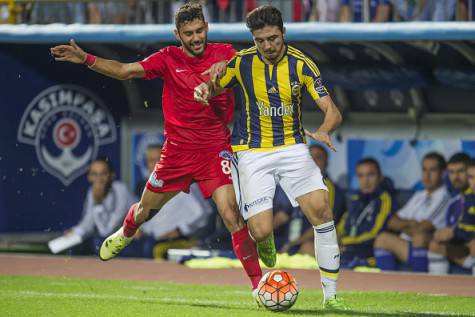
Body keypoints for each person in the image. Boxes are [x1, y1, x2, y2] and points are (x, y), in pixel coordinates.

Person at [50, 2, 263, 297]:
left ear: (207, 28)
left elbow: (245, 66)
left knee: (231, 214)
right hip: (175, 153)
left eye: (200, 30)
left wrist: (226, 69)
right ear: (178, 34)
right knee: (144, 212)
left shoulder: (225, 53)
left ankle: (259, 286)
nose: (196, 37)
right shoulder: (167, 58)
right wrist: (85, 58)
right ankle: (126, 232)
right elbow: (125, 71)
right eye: (189, 33)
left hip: (215, 149)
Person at [194, 5, 346, 309]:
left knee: (321, 209)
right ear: (254, 39)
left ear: (283, 33)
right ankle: (265, 242)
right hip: (251, 151)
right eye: (260, 40)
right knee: (260, 230)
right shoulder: (241, 63)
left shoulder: (302, 64)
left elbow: (332, 110)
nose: (267, 46)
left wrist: (326, 129)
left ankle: (331, 297)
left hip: (292, 147)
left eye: (273, 39)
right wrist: (205, 89)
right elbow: (209, 89)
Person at [374, 152, 450, 272]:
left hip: (427, 246)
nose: (427, 175)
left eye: (432, 170)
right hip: (408, 244)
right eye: (424, 170)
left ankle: (419, 285)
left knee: (416, 238)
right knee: (382, 238)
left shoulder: (444, 197)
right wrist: (412, 223)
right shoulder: (419, 195)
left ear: (443, 173)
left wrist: (404, 225)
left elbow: (423, 228)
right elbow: (392, 222)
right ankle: (389, 285)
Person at [279, 143, 346, 255]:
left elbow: (325, 223)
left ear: (327, 163)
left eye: (318, 158)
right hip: (289, 243)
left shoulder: (329, 189)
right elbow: (283, 216)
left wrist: (293, 244)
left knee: (308, 247)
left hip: (309, 244)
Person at [67, 157, 137, 255]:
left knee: (99, 242)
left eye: (103, 174)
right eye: (94, 174)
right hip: (116, 239)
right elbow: (88, 223)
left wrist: (97, 202)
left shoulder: (121, 190)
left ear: (111, 175)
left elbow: (106, 231)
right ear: (89, 177)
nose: (98, 179)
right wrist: (74, 232)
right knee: (74, 244)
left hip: (136, 239)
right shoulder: (92, 191)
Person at [339, 158, 396, 268]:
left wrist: (345, 242)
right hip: (347, 251)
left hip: (368, 255)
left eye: (370, 175)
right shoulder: (354, 198)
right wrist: (335, 240)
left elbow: (375, 232)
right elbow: (342, 225)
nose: (365, 181)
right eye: (361, 176)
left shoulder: (384, 198)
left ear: (380, 177)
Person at [428, 154, 474, 275]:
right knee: (435, 244)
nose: (456, 177)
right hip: (466, 247)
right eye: (452, 172)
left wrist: (453, 232)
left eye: (460, 171)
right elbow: (462, 230)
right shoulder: (455, 202)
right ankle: (436, 290)